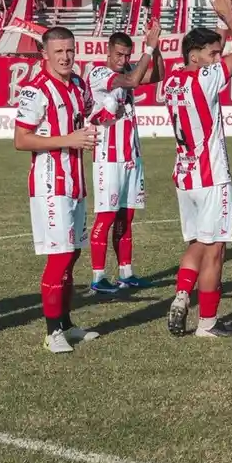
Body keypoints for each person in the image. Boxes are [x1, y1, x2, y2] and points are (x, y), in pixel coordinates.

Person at [162, 0, 232, 338]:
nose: (217, 59)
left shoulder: (171, 81)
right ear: (194, 56)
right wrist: (229, 17)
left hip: (185, 177)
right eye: (212, 53)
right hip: (211, 176)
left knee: (198, 242)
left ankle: (182, 295)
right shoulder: (204, 78)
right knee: (215, 251)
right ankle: (208, 324)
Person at [14, 27, 103, 353]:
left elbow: (89, 113)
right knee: (60, 255)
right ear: (45, 54)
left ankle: (66, 324)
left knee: (73, 252)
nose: (65, 57)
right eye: (58, 52)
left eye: (69, 51)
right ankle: (52, 333)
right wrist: (69, 140)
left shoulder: (77, 84)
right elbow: (21, 139)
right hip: (51, 183)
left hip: (76, 180)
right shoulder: (35, 90)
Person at [87, 26, 163, 294]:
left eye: (127, 55)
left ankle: (126, 274)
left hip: (131, 155)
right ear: (108, 52)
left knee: (126, 217)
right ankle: (98, 277)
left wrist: (157, 48)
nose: (123, 59)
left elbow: (158, 75)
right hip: (108, 157)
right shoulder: (99, 74)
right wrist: (148, 48)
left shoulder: (129, 69)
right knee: (106, 217)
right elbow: (131, 81)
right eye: (119, 54)